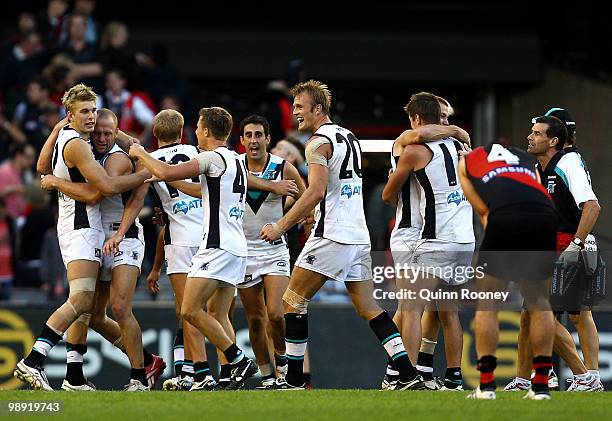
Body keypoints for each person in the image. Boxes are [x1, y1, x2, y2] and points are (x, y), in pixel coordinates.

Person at [260, 80, 423, 390]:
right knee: (368, 307)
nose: (295, 113)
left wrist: (281, 225)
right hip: (357, 234)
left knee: (292, 302)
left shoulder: (317, 142)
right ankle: (408, 374)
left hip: (333, 234)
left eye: (299, 107)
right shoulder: (348, 136)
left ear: (317, 108)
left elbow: (316, 191)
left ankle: (294, 380)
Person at [128, 106, 298, 390]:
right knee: (218, 314)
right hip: (237, 249)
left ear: (207, 130)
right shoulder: (235, 160)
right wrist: (167, 179)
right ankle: (232, 371)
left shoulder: (211, 157)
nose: (195, 131)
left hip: (216, 247)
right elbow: (199, 190)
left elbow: (166, 169)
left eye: (198, 127)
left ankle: (237, 359)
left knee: (189, 310)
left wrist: (140, 153)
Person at [14, 84, 147, 391]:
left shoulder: (64, 134)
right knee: (84, 299)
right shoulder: (77, 145)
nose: (91, 118)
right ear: (70, 115)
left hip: (80, 226)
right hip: (82, 226)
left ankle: (73, 375)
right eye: (85, 112)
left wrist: (53, 179)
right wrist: (143, 174)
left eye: (93, 111)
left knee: (88, 305)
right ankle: (33, 360)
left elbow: (40, 167)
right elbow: (101, 190)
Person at [40, 108, 162, 391]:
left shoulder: (119, 158)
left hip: (124, 236)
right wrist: (58, 128)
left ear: (117, 132)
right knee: (91, 313)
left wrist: (120, 233)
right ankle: (143, 361)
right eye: (98, 133)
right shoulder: (85, 151)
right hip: (99, 236)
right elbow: (42, 167)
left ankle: (138, 377)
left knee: (119, 306)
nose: (103, 137)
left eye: (110, 133)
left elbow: (110, 191)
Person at [382, 92, 474, 391]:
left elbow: (387, 195)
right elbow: (421, 133)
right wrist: (456, 130)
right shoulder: (453, 147)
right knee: (436, 308)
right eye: (443, 118)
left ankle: (404, 374)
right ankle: (439, 375)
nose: (447, 123)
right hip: (447, 236)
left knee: (411, 307)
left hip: (430, 235)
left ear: (417, 118)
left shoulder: (417, 148)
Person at [506, 115, 603, 392]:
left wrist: (577, 244)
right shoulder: (538, 168)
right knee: (531, 313)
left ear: (554, 141)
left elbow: (592, 206)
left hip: (566, 246)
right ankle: (526, 378)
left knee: (553, 312)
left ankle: (585, 375)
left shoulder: (568, 162)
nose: (529, 136)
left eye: (536, 133)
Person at [460, 138, 557, 400]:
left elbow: (483, 212)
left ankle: (487, 385)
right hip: (545, 214)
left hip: (504, 214)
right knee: (539, 300)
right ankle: (540, 387)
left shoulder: (468, 160)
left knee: (489, 302)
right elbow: (537, 189)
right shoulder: (527, 160)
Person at [233, 114, 307, 389]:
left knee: (276, 313)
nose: (254, 140)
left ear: (268, 138)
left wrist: (285, 222)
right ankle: (267, 376)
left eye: (258, 134)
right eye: (248, 135)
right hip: (243, 252)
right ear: (241, 140)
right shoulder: (235, 166)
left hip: (274, 250)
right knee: (254, 319)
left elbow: (306, 198)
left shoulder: (284, 167)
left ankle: (282, 359)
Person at [144, 109, 211, 391]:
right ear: (183, 131)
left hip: (180, 240)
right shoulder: (198, 152)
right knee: (202, 311)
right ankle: (186, 372)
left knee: (188, 311)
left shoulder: (150, 162)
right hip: (209, 236)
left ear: (156, 134)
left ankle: (201, 372)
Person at [0, 144, 36, 220]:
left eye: (33, 157)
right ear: (18, 156)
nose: (32, 161)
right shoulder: (4, 170)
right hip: (7, 218)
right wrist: (14, 189)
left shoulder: (27, 172)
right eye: (28, 157)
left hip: (24, 215)